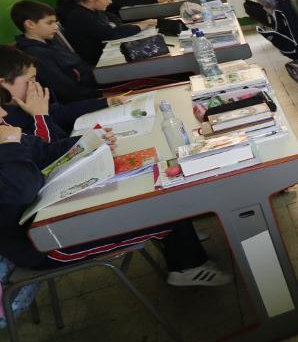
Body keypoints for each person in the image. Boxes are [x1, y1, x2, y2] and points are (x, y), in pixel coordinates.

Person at [0, 102, 231, 286]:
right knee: (164, 212)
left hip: (55, 216)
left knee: (153, 188)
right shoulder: (5, 140)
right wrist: (9, 144)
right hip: (45, 245)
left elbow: (44, 151)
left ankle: (182, 240)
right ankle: (186, 267)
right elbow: (22, 189)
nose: (3, 113)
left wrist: (87, 143)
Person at [0, 46, 108, 136]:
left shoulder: (24, 104)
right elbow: (43, 149)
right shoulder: (4, 121)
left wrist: (106, 102)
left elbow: (60, 112)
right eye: (30, 80)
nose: (36, 84)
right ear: (3, 83)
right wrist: (40, 116)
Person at [11, 0, 104, 103]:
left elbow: (80, 67)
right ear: (30, 24)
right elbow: (67, 89)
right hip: (82, 99)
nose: (55, 26)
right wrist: (102, 94)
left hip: (93, 85)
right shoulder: (36, 54)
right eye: (49, 23)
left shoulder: (49, 42)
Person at [56, 0, 156, 67]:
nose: (110, 2)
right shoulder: (78, 16)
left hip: (104, 56)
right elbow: (109, 33)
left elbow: (113, 24)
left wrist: (138, 25)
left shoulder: (90, 11)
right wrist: (139, 26)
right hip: (99, 64)